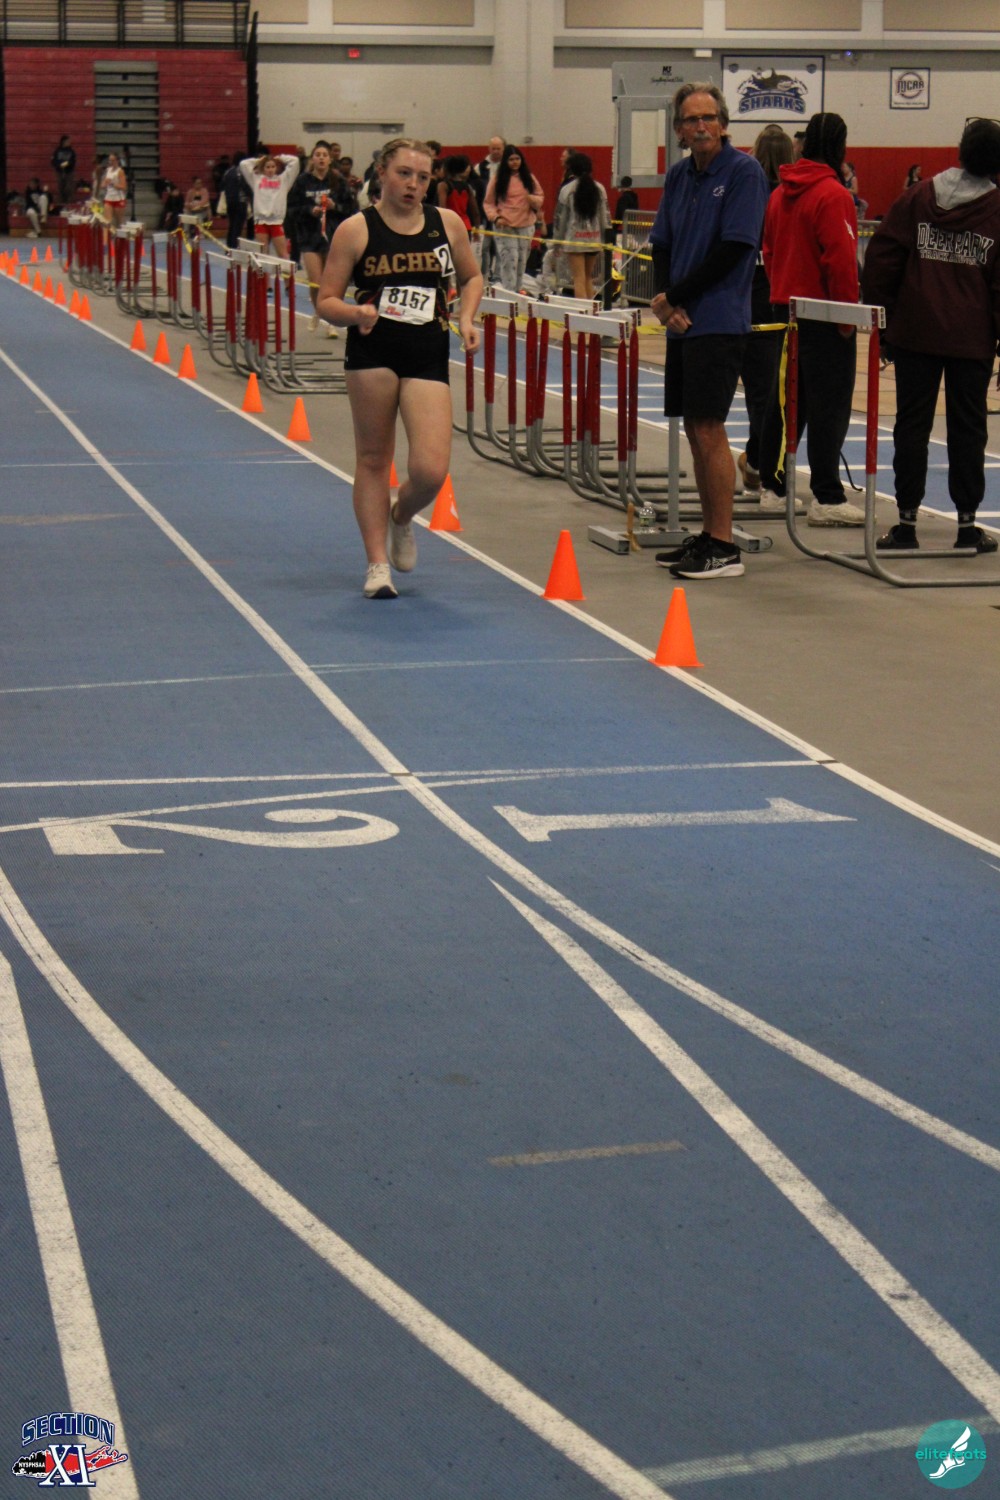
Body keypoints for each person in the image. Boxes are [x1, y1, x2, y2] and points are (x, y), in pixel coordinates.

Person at [316, 138, 483, 600]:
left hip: (427, 350)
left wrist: (468, 317)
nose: (413, 185)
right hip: (373, 352)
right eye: (404, 174)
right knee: (373, 459)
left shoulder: (446, 224)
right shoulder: (355, 230)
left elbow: (471, 276)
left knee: (431, 469)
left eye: (423, 177)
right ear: (382, 174)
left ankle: (401, 515)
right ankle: (376, 564)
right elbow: (326, 300)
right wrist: (355, 313)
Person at [861, 117, 1000, 554]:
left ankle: (906, 525)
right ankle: (967, 527)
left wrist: (883, 323)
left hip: (916, 332)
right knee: (968, 430)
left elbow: (882, 259)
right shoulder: (997, 209)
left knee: (911, 426)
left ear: (960, 149)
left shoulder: (919, 196)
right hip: (971, 339)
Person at [648, 82, 769, 580]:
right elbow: (661, 243)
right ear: (679, 129)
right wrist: (665, 298)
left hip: (718, 319)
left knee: (708, 427)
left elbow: (734, 249)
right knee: (694, 431)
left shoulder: (744, 173)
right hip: (682, 321)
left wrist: (675, 297)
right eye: (691, 119)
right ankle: (708, 533)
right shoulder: (679, 176)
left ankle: (723, 546)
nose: (701, 127)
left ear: (722, 124)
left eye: (709, 118)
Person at [757, 111, 866, 526]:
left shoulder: (779, 193)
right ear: (839, 146)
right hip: (823, 313)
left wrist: (782, 289)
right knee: (829, 406)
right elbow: (840, 263)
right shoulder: (833, 195)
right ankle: (827, 496)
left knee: (787, 401)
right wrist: (845, 318)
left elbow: (768, 250)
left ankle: (772, 487)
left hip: (785, 309)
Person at [737, 125, 795, 507]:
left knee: (765, 393)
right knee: (770, 394)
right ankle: (763, 466)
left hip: (755, 298)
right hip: (770, 299)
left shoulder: (753, 192)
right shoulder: (780, 197)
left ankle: (757, 461)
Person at [287, 141, 354, 335]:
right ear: (312, 159)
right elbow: (292, 209)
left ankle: (330, 320)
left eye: (325, 155)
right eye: (318, 155)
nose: (322, 158)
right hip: (309, 237)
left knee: (331, 282)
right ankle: (320, 311)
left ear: (330, 159)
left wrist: (335, 207)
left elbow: (351, 208)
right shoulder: (303, 181)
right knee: (316, 281)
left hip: (333, 237)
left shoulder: (338, 181)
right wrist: (310, 210)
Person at [483, 144, 544, 292]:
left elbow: (540, 197)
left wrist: (533, 200)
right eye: (511, 159)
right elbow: (488, 203)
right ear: (506, 161)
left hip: (526, 226)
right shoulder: (498, 179)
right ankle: (509, 293)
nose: (515, 162)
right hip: (505, 226)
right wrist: (496, 218)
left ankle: (518, 291)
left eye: (517, 159)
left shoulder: (528, 178)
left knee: (522, 261)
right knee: (510, 261)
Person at [553, 152, 610, 301]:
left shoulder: (567, 190)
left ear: (572, 169)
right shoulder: (600, 188)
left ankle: (581, 311)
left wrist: (557, 241)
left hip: (575, 240)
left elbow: (560, 219)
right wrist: (605, 239)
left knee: (578, 278)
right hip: (594, 239)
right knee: (588, 277)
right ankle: (591, 310)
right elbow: (605, 217)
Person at [239, 150, 300, 258]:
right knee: (262, 255)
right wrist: (260, 160)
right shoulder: (256, 179)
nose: (270, 169)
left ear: (276, 167)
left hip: (276, 222)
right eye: (267, 167)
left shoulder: (284, 180)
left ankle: (285, 270)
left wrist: (279, 157)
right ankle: (263, 271)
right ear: (263, 168)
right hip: (260, 221)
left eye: (273, 166)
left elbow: (295, 162)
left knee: (283, 255)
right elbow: (243, 164)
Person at [101, 152, 128, 228]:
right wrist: (105, 183)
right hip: (108, 198)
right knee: (106, 222)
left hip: (118, 199)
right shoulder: (108, 170)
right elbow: (102, 185)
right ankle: (106, 236)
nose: (111, 162)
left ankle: (118, 234)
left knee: (118, 223)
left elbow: (124, 187)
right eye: (110, 160)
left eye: (113, 160)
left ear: (117, 161)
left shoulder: (120, 171)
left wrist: (113, 183)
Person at [51, 136, 76, 207]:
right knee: (61, 187)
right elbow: (53, 161)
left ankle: (69, 203)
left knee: (69, 187)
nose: (69, 143)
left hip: (69, 171)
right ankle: (61, 203)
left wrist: (66, 164)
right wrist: (59, 165)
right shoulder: (57, 151)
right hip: (60, 172)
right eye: (67, 141)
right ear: (63, 142)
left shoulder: (71, 151)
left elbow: (73, 161)